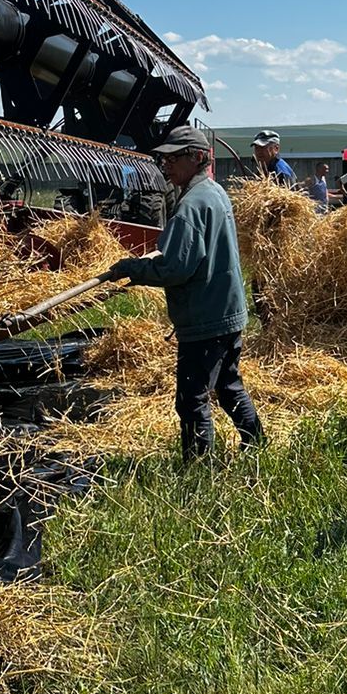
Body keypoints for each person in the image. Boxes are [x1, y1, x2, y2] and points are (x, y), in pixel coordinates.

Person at [101, 125, 263, 460]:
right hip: (227, 310)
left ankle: (198, 469)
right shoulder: (215, 193)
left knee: (191, 397)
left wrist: (131, 268)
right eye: (164, 159)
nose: (166, 165)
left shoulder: (191, 206)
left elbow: (176, 268)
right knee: (228, 383)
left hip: (205, 317)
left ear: (196, 157)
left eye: (174, 158)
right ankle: (255, 441)